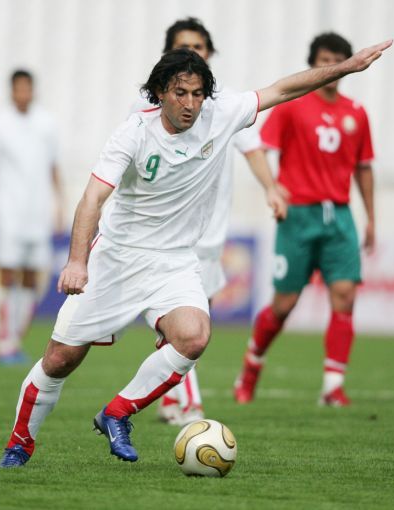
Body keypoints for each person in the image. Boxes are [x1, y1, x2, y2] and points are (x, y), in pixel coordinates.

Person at [0, 38, 392, 468]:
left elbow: (282, 89)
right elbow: (92, 198)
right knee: (60, 359)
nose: (190, 104)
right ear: (160, 92)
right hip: (117, 258)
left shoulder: (220, 115)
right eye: (180, 93)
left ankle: (117, 413)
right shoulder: (134, 132)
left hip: (174, 261)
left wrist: (346, 68)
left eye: (198, 94)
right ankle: (19, 445)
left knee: (194, 336)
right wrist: (77, 261)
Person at [132, 18, 288, 426]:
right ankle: (189, 406)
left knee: (193, 326)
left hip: (211, 235)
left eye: (199, 47)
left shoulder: (223, 105)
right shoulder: (147, 111)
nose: (192, 53)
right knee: (183, 326)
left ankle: (170, 398)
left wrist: (271, 188)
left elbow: (252, 149)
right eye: (183, 47)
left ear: (210, 54)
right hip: (167, 236)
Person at [234, 33, 377, 407]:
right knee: (284, 304)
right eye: (324, 59)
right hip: (298, 215)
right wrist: (274, 188)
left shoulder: (357, 112)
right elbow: (262, 148)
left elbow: (364, 168)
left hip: (339, 216)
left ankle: (332, 386)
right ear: (313, 63)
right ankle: (251, 366)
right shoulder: (292, 106)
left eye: (337, 60)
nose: (330, 66)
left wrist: (371, 219)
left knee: (345, 295)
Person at [0, 69, 63, 364]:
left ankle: (14, 340)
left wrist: (59, 204)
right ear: (12, 91)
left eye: (27, 88)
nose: (23, 93)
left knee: (30, 279)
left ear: (33, 90)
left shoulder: (47, 123)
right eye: (19, 89)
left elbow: (53, 166)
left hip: (38, 214)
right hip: (9, 213)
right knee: (6, 275)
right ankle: (3, 342)